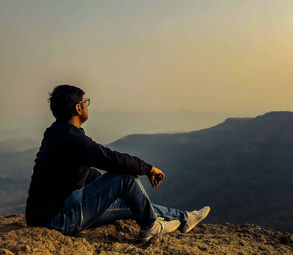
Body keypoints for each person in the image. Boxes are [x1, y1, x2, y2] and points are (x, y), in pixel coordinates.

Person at [25, 84, 210, 242]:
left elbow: (81, 173)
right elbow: (111, 159)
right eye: (85, 102)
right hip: (61, 219)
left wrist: (107, 191)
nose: (87, 106)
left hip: (47, 216)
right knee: (124, 178)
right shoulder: (72, 139)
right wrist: (148, 169)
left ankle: (184, 218)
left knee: (131, 202)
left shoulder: (55, 133)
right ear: (78, 108)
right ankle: (152, 227)